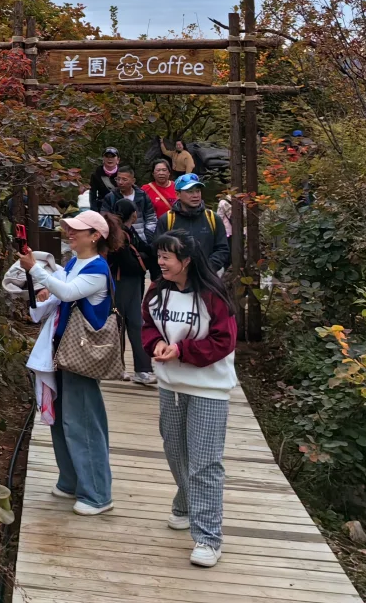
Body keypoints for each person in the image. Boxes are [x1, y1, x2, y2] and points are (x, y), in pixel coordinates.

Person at [141, 232, 239, 569]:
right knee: (174, 449)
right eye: (159, 256)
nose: (161, 262)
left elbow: (223, 341)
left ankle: (208, 538)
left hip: (209, 388)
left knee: (205, 462)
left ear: (187, 260)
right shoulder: (156, 291)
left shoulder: (214, 296)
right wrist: (155, 344)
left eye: (167, 257)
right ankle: (185, 502)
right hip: (171, 385)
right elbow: (147, 326)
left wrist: (182, 350)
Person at [20, 209, 123, 516]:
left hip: (81, 357)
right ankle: (71, 481)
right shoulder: (75, 262)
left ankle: (97, 494)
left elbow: (65, 292)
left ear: (96, 236)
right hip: (63, 352)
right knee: (63, 419)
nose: (70, 232)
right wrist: (38, 289)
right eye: (70, 228)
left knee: (84, 423)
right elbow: (56, 293)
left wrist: (35, 270)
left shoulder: (97, 269)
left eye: (78, 229)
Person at [107, 197, 157, 384]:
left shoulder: (127, 232)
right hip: (122, 283)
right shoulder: (120, 235)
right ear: (133, 214)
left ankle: (139, 369)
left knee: (131, 323)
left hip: (128, 284)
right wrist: (145, 261)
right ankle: (128, 369)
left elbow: (145, 251)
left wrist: (144, 257)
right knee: (121, 324)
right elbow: (128, 263)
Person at [158, 173, 230, 273]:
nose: (195, 195)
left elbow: (222, 249)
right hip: (177, 276)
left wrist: (208, 268)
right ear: (178, 194)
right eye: (190, 192)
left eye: (198, 191)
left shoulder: (212, 218)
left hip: (207, 276)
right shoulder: (167, 219)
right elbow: (159, 249)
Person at [106, 165, 156, 245]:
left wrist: (148, 236)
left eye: (124, 179)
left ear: (133, 181)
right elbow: (106, 218)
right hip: (119, 241)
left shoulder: (142, 196)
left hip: (141, 239)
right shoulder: (111, 197)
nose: (120, 182)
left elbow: (151, 218)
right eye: (118, 179)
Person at [88, 147, 121, 211]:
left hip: (120, 207)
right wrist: (94, 211)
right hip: (102, 208)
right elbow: (92, 195)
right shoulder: (96, 175)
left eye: (113, 156)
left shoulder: (123, 173)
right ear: (103, 159)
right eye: (107, 156)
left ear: (118, 160)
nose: (109, 159)